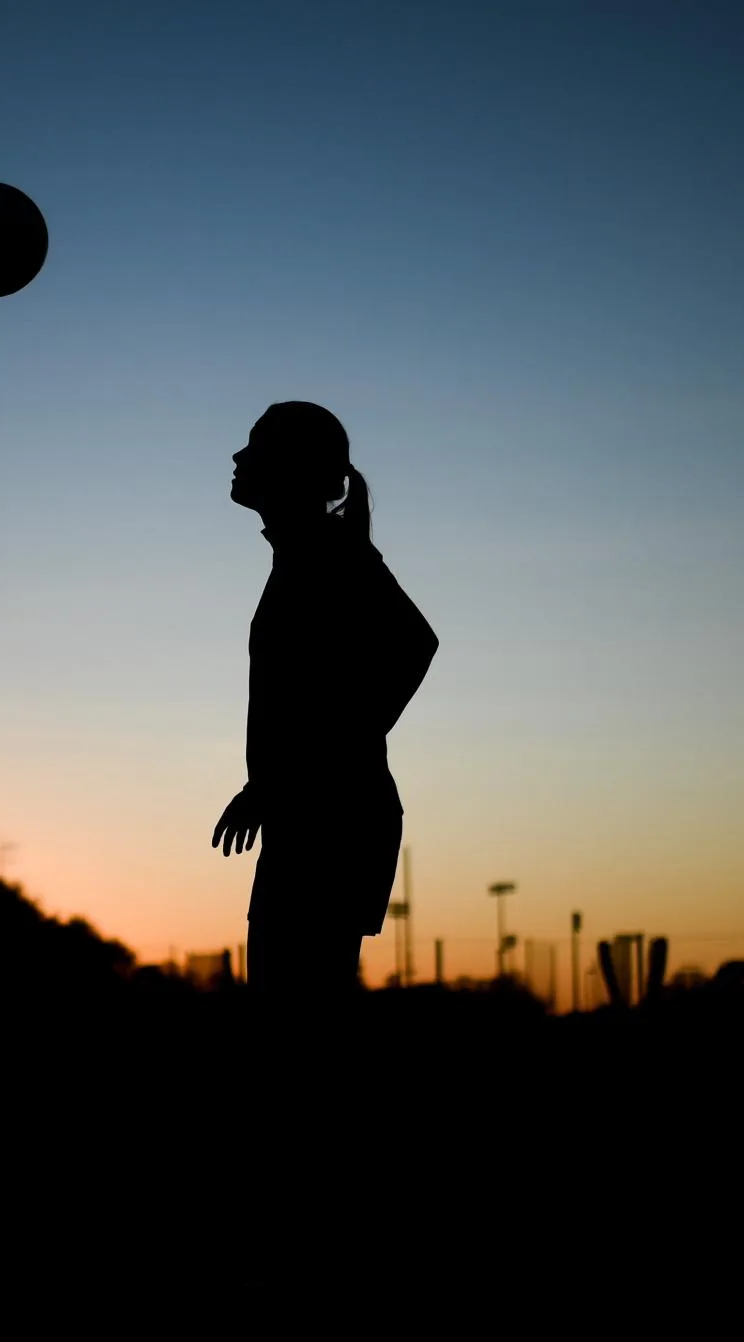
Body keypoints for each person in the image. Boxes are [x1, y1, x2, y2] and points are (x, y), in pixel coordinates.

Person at [211, 402, 438, 1004]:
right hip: (313, 816)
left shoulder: (329, 553)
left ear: (291, 469)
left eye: (255, 447)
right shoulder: (303, 554)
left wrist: (321, 758)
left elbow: (416, 644)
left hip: (331, 825)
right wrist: (269, 784)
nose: (238, 457)